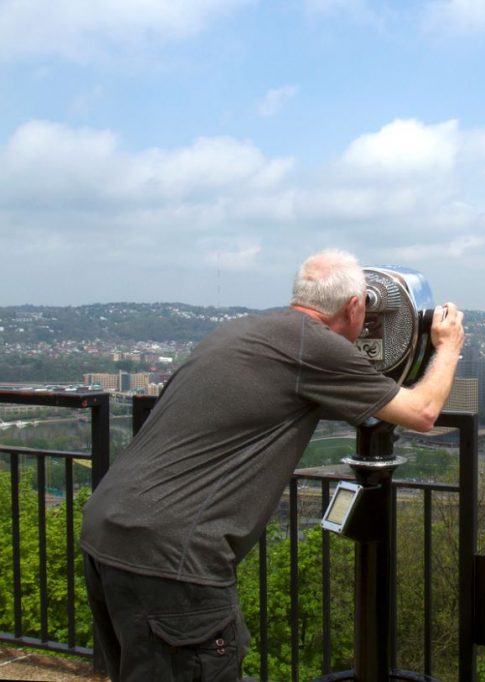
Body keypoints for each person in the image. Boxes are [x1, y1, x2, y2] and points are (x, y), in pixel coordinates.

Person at [80, 249, 465, 681]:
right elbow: (423, 412)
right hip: (174, 557)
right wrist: (447, 346)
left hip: (107, 531)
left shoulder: (243, 330)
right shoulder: (315, 347)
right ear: (355, 306)